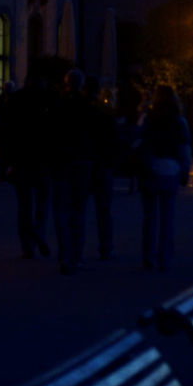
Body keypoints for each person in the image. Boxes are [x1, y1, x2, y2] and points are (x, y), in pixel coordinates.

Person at [134, 85, 191, 272]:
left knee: (149, 216)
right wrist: (185, 171)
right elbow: (184, 149)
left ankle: (147, 257)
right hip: (171, 169)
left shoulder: (148, 119)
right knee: (167, 216)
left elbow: (138, 140)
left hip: (151, 168)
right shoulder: (179, 121)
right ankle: (164, 257)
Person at [49, 68, 96, 275]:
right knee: (78, 211)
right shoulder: (87, 106)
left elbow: (50, 132)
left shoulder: (59, 105)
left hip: (61, 161)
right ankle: (76, 255)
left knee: (61, 211)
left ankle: (65, 255)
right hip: (82, 161)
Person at [1, 73, 51, 258]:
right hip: (41, 159)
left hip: (21, 160)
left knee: (24, 205)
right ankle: (39, 231)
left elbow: (6, 134)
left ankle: (27, 246)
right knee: (43, 201)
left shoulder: (15, 100)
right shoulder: (47, 100)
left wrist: (6, 163)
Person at [84, 75, 119, 259]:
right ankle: (106, 246)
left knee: (77, 209)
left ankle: (76, 250)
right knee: (104, 209)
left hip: (82, 163)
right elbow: (114, 139)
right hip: (102, 164)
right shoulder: (105, 112)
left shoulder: (78, 110)